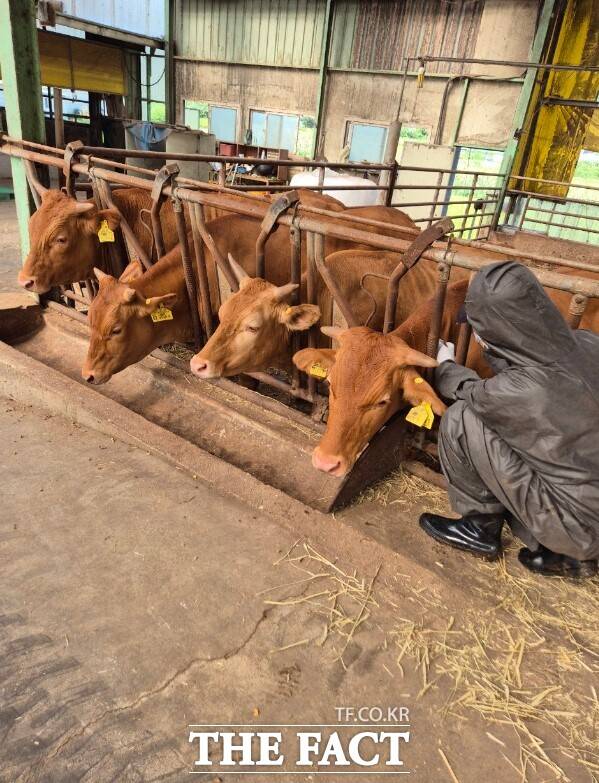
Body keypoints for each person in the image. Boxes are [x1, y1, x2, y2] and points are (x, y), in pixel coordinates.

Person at [419, 261, 599, 579]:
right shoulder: (588, 343)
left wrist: (444, 365)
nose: (475, 334)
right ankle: (566, 554)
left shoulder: (523, 389)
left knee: (462, 418)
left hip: (579, 526)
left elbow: (473, 393)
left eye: (478, 327)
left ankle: (479, 527)